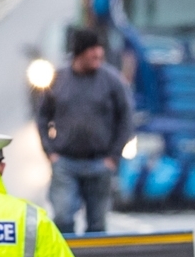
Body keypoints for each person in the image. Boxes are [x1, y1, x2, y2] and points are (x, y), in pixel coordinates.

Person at [36, 29, 134, 233]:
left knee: (97, 223)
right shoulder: (58, 79)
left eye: (100, 56)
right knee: (62, 216)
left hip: (99, 162)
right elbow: (43, 116)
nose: (98, 60)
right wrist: (50, 151)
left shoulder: (111, 81)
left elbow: (125, 118)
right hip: (65, 162)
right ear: (80, 54)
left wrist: (114, 156)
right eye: (93, 56)